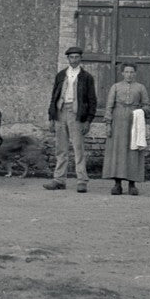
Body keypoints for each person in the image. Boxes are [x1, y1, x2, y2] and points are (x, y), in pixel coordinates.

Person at [43, 46, 97, 192]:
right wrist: (51, 117)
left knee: (78, 148)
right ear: (68, 59)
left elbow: (92, 100)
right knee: (61, 148)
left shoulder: (86, 77)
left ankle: (82, 180)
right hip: (61, 111)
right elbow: (54, 96)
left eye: (76, 57)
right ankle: (59, 180)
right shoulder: (61, 75)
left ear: (80, 58)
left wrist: (88, 120)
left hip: (76, 113)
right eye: (71, 57)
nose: (74, 60)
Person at [101, 62, 150, 195]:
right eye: (127, 72)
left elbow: (147, 106)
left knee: (133, 150)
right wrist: (108, 124)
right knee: (117, 151)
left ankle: (132, 184)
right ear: (122, 73)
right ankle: (117, 184)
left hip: (134, 122)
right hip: (117, 121)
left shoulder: (140, 88)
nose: (129, 75)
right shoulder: (116, 87)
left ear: (135, 74)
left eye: (132, 72)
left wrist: (140, 111)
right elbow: (109, 107)